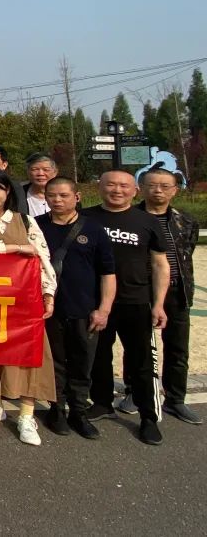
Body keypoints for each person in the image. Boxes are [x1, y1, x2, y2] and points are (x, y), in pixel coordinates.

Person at [0, 168, 58, 447]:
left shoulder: (26, 220)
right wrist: (16, 247)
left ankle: (27, 415)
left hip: (25, 299)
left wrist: (48, 293)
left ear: (8, 191)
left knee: (30, 352)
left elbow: (42, 257)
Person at [83, 170, 169, 446]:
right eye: (111, 185)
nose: (117, 190)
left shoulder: (147, 221)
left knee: (141, 362)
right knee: (97, 356)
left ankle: (148, 417)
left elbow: (159, 265)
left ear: (135, 190)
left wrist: (158, 304)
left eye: (123, 186)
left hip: (135, 300)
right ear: (100, 187)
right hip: (94, 301)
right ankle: (102, 401)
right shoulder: (86, 217)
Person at [36, 177, 115, 439]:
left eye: (63, 195)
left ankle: (79, 412)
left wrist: (103, 309)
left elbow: (108, 273)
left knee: (83, 362)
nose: (57, 200)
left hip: (85, 309)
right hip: (49, 309)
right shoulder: (37, 227)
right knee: (54, 362)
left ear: (76, 197)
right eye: (52, 196)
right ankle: (57, 409)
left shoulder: (93, 229)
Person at [134, 167, 199, 425]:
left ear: (175, 189)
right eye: (152, 185)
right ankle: (134, 392)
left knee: (177, 347)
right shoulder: (132, 218)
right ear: (142, 187)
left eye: (164, 186)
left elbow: (186, 253)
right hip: (140, 290)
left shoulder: (186, 221)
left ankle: (175, 399)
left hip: (177, 291)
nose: (157, 190)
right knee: (137, 346)